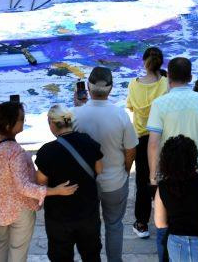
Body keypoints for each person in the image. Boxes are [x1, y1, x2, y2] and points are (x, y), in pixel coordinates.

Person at [0, 101, 76, 262]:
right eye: (21, 118)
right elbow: (23, 187)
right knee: (17, 250)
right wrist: (55, 191)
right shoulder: (15, 152)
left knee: (1, 244)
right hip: (19, 209)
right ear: (9, 124)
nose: (24, 121)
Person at [73, 67, 136, 262]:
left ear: (88, 88)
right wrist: (125, 170)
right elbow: (131, 150)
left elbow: (65, 141)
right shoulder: (121, 115)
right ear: (110, 88)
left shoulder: (76, 114)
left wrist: (77, 106)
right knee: (114, 225)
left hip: (85, 184)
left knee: (88, 227)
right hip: (114, 181)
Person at [35, 105, 103, 261]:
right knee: (91, 256)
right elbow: (99, 169)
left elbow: (40, 182)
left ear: (52, 123)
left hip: (59, 218)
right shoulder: (88, 142)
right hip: (88, 214)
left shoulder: (47, 151)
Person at [147, 57, 198, 196]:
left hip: (168, 171)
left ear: (168, 76)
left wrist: (153, 176)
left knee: (170, 215)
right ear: (191, 77)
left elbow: (153, 144)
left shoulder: (159, 104)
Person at [125, 47, 167, 239]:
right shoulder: (166, 84)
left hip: (141, 138)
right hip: (161, 137)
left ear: (144, 62)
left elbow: (131, 107)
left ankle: (142, 223)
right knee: (162, 177)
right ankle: (164, 218)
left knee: (142, 180)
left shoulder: (134, 85)